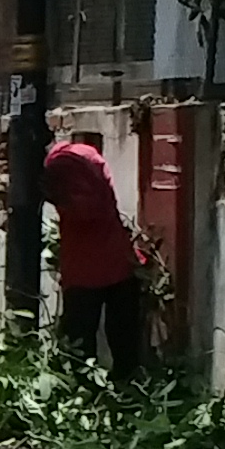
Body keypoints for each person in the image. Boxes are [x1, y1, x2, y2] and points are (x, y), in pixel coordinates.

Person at [45, 128, 148, 373]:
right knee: (124, 343)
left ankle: (82, 395)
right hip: (117, 261)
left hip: (81, 266)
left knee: (79, 345)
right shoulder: (91, 157)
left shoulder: (56, 167)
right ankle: (128, 395)